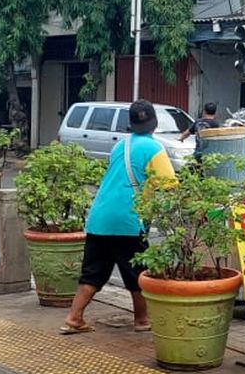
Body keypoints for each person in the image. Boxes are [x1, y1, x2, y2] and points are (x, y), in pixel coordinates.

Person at [61, 99, 176, 334]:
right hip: (129, 220)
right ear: (154, 125)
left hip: (99, 217)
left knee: (93, 272)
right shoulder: (155, 149)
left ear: (131, 125)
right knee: (137, 273)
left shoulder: (119, 146)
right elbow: (169, 186)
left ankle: (74, 318)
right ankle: (142, 320)